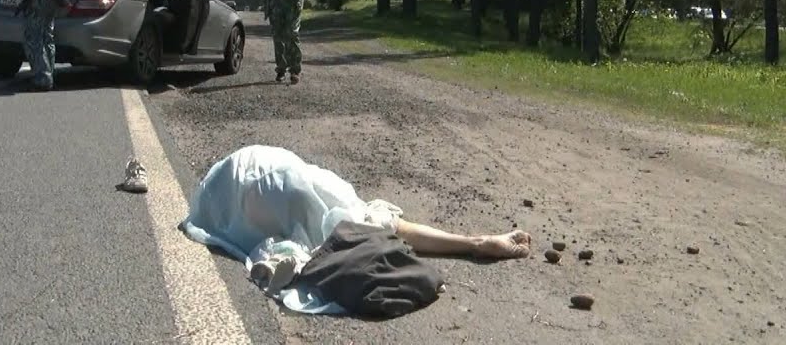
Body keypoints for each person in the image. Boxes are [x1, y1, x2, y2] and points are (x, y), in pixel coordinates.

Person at [181, 145, 531, 313]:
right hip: (270, 168)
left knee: (333, 227)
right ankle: (474, 243)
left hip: (250, 178)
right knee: (362, 218)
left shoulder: (212, 197)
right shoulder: (321, 193)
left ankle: (475, 243)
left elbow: (210, 220)